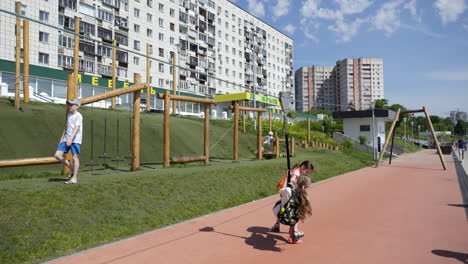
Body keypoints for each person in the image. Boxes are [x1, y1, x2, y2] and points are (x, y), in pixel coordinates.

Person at [271, 161, 314, 242]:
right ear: (303, 167)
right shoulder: (297, 174)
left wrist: (288, 179)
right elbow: (293, 179)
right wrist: (291, 181)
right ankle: (294, 232)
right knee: (294, 213)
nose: (306, 174)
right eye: (306, 172)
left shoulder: (295, 171)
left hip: (282, 210)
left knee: (284, 207)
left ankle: (277, 224)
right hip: (288, 211)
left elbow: (283, 190)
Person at [54, 99, 83, 184]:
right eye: (69, 105)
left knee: (74, 157)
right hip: (66, 138)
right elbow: (66, 128)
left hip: (75, 139)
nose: (69, 106)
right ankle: (72, 169)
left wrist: (71, 139)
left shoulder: (79, 116)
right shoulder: (69, 115)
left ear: (77, 106)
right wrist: (62, 138)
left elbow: (76, 128)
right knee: (57, 155)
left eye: (71, 105)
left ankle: (74, 178)